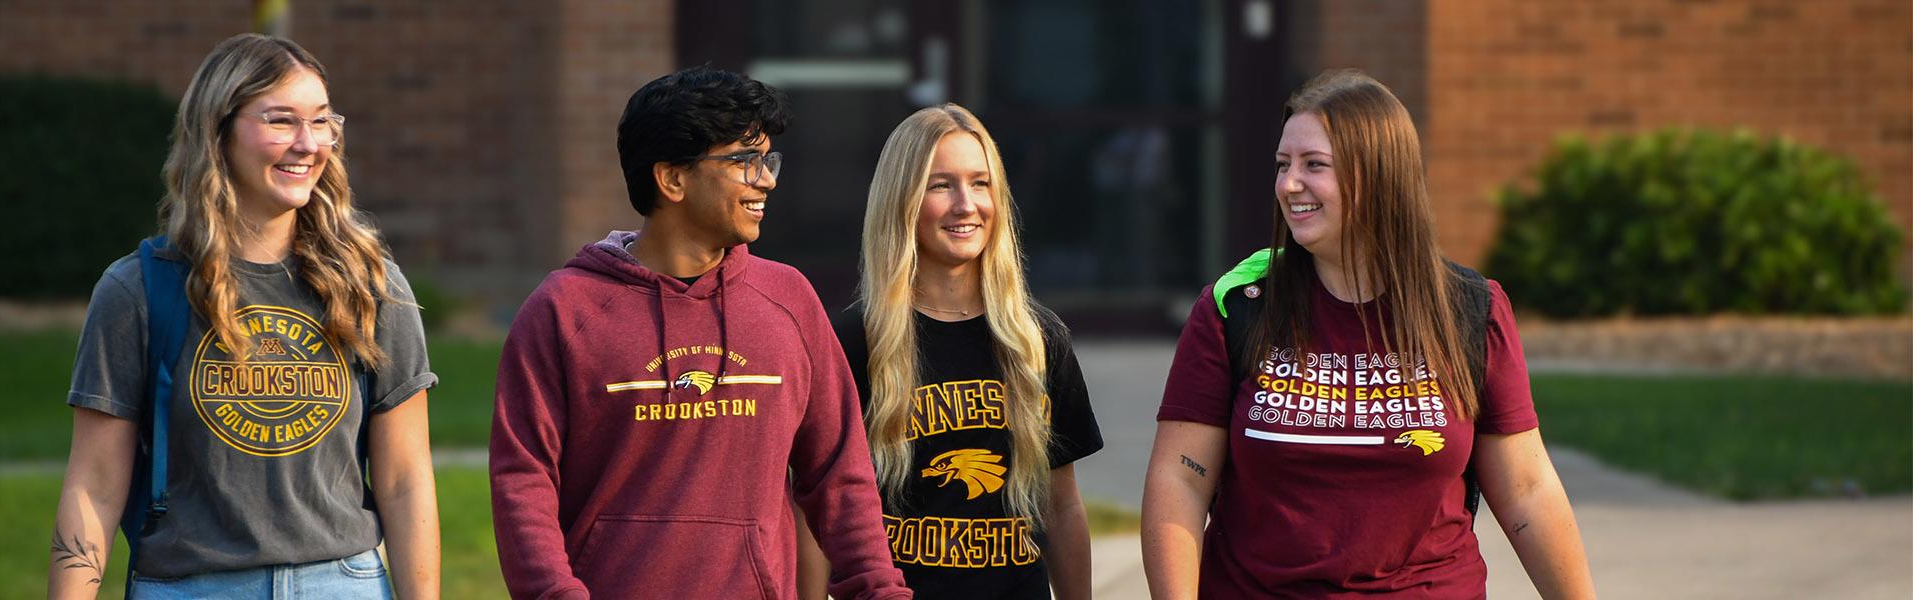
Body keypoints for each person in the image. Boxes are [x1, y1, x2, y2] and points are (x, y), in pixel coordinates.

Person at [1140, 69, 1596, 598]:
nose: (1289, 185)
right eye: (1283, 165)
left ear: (1379, 177)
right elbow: (1180, 481)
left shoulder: (1469, 308)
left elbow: (1527, 492)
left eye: (1315, 166)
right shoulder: (1238, 305)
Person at [488, 66, 911, 600]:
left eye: (768, 159)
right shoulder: (564, 311)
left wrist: (878, 589)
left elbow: (839, 474)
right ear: (672, 179)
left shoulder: (789, 300)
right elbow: (523, 483)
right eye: (743, 161)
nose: (767, 179)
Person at [49, 34, 439, 599]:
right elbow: (94, 485)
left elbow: (405, 480)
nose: (308, 143)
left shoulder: (370, 285)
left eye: (323, 121)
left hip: (343, 583)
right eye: (281, 121)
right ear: (219, 131)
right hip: (189, 586)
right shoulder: (138, 288)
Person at [799, 104, 1105, 599]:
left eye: (980, 183)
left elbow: (1061, 505)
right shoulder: (851, 341)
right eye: (941, 185)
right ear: (902, 201)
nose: (967, 204)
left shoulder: (1038, 338)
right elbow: (815, 508)